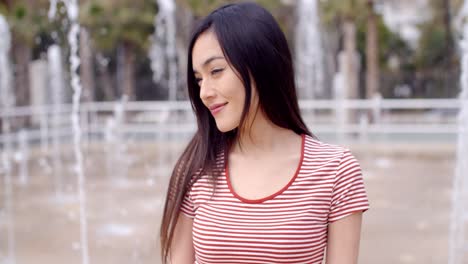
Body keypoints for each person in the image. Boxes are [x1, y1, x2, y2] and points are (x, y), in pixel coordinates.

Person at [160, 2, 369, 263]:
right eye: (199, 79)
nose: (204, 93)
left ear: (261, 64)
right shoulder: (195, 168)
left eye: (216, 71)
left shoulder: (335, 170)